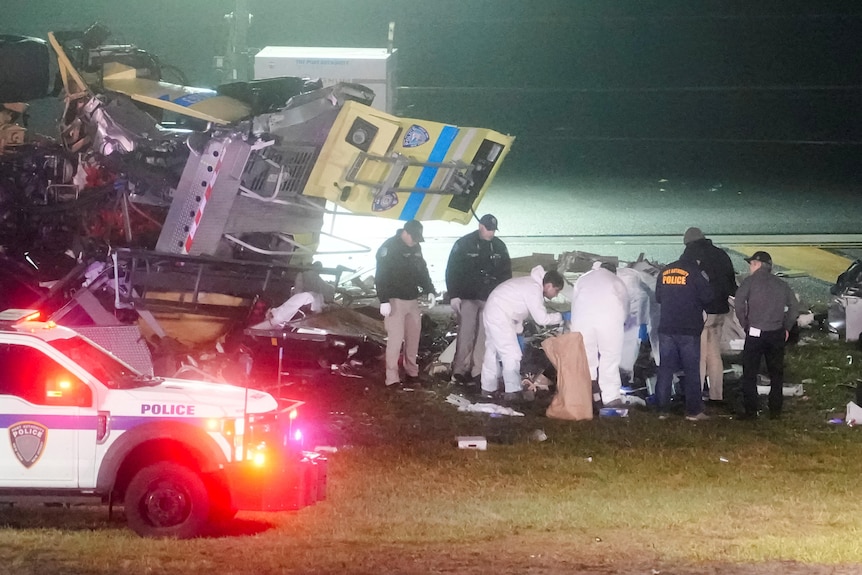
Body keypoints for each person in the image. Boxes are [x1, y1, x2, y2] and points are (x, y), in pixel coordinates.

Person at [445, 213, 512, 386]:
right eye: (488, 229)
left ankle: (477, 371)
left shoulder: (499, 247)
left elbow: (506, 275)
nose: (491, 233)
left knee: (483, 336)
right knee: (465, 333)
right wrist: (453, 295)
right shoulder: (464, 244)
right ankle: (459, 370)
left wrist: (504, 299)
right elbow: (452, 270)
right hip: (468, 297)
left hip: (490, 299)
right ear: (480, 226)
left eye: (493, 230)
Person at [481, 265, 564, 401]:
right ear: (548, 285)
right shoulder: (534, 289)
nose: (556, 295)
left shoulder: (528, 283)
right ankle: (513, 392)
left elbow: (517, 307)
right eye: (556, 291)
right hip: (500, 314)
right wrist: (560, 317)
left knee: (492, 352)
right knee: (511, 353)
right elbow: (541, 318)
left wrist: (518, 330)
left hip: (493, 310)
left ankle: (488, 389)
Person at [734, 251, 799, 419]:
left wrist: (745, 323)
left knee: (750, 372)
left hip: (755, 333)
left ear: (757, 264)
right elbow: (794, 307)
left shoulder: (749, 282)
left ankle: (751, 411)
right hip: (776, 333)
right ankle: (775, 411)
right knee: (776, 373)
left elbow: (739, 303)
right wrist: (787, 327)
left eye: (751, 264)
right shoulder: (781, 284)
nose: (749, 267)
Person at [654, 247, 714, 420]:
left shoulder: (665, 270)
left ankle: (662, 410)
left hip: (666, 327)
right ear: (697, 260)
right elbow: (708, 296)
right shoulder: (695, 272)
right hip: (688, 328)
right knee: (691, 370)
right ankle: (693, 411)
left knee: (665, 368)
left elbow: (658, 297)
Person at [375, 220, 436, 387]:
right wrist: (384, 299)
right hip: (395, 300)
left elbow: (422, 270)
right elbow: (381, 275)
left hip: (412, 299)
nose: (415, 241)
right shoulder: (389, 248)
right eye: (413, 237)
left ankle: (411, 372)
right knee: (395, 340)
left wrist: (430, 289)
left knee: (413, 338)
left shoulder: (416, 247)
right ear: (405, 233)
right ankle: (392, 378)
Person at [683, 227, 738, 402]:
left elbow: (686, 281)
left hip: (702, 313)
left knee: (698, 355)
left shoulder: (690, 253)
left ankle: (696, 395)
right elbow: (732, 286)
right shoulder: (721, 254)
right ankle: (716, 395)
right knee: (714, 355)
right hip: (720, 311)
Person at [570, 261, 630, 407]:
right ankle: (611, 398)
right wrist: (623, 320)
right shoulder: (616, 280)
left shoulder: (583, 278)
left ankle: (587, 396)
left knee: (586, 358)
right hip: (609, 321)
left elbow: (574, 302)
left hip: (582, 321)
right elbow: (625, 305)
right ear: (613, 271)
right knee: (610, 357)